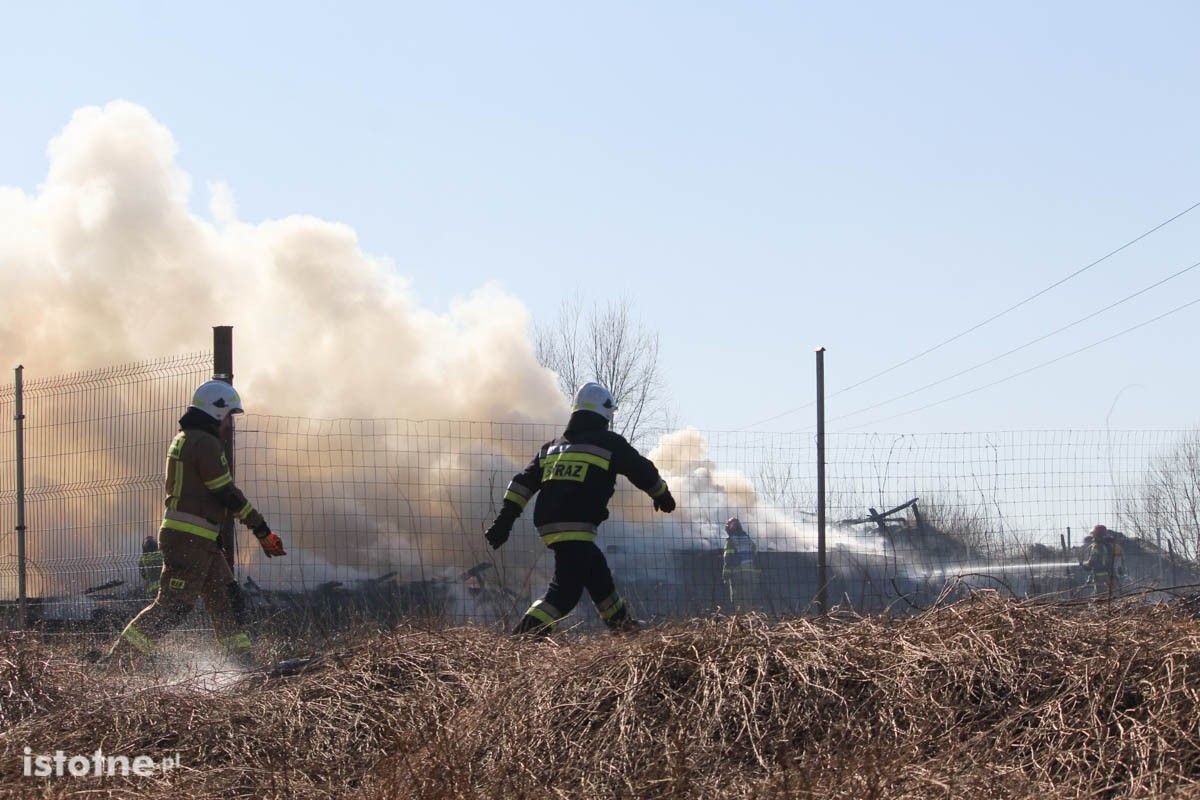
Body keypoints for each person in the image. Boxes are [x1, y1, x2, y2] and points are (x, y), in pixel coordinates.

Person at [105, 380, 286, 665]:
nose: (229, 424)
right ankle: (118, 663)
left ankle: (241, 664)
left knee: (227, 599)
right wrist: (261, 529)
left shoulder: (187, 438)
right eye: (229, 416)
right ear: (217, 412)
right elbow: (225, 491)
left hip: (199, 541)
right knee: (173, 607)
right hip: (189, 540)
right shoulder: (205, 443)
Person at [484, 382, 676, 635]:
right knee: (564, 593)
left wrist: (503, 522)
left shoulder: (553, 448)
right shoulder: (608, 442)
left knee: (597, 572)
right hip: (576, 525)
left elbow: (523, 483)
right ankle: (522, 639)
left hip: (549, 524)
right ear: (604, 412)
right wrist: (662, 494)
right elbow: (641, 469)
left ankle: (622, 627)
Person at [722, 517, 758, 612]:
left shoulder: (731, 542)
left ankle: (740, 622)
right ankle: (750, 621)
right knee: (748, 601)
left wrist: (725, 575)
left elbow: (728, 560)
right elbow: (754, 554)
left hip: (738, 576)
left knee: (737, 602)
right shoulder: (748, 539)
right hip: (751, 576)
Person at [1081, 524, 1124, 599]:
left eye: (1094, 534)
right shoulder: (1111, 545)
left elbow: (1092, 563)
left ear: (1097, 535)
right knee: (1112, 596)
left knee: (1100, 598)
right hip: (1111, 574)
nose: (1093, 536)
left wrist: (1083, 564)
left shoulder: (1097, 546)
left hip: (1100, 576)